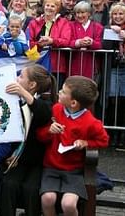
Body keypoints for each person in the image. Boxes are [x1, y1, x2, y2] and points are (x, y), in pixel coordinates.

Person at [36, 76, 109, 216]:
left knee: (68, 204)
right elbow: (40, 135)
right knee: (47, 199)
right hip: (51, 167)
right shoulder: (56, 109)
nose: (58, 92)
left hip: (74, 171)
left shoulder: (91, 122)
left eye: (63, 91)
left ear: (73, 102)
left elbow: (104, 140)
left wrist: (85, 143)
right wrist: (49, 131)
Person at [0, 65, 56, 216]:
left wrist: (24, 94)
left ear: (32, 85)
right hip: (17, 160)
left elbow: (44, 114)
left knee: (31, 189)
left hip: (38, 162)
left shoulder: (44, 103)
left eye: (21, 77)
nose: (17, 79)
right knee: (8, 185)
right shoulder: (13, 101)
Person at [27, 0, 71, 88]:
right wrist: (39, 44)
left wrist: (52, 41)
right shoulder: (34, 23)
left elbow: (66, 41)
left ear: (57, 9)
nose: (49, 8)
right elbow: (29, 42)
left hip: (57, 64)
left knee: (55, 92)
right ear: (44, 6)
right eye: (47, 5)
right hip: (38, 63)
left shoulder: (63, 22)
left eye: (53, 6)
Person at [102, 3, 125, 147]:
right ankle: (111, 135)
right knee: (112, 102)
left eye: (121, 14)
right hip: (113, 69)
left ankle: (122, 136)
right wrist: (113, 34)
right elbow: (104, 46)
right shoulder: (107, 28)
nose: (118, 17)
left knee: (124, 102)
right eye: (115, 14)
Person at [69, 1, 104, 78]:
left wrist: (91, 42)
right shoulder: (70, 25)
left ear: (89, 13)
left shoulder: (98, 27)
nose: (80, 15)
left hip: (92, 64)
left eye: (82, 12)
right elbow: (68, 41)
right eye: (77, 13)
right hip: (75, 63)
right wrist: (78, 42)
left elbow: (101, 44)